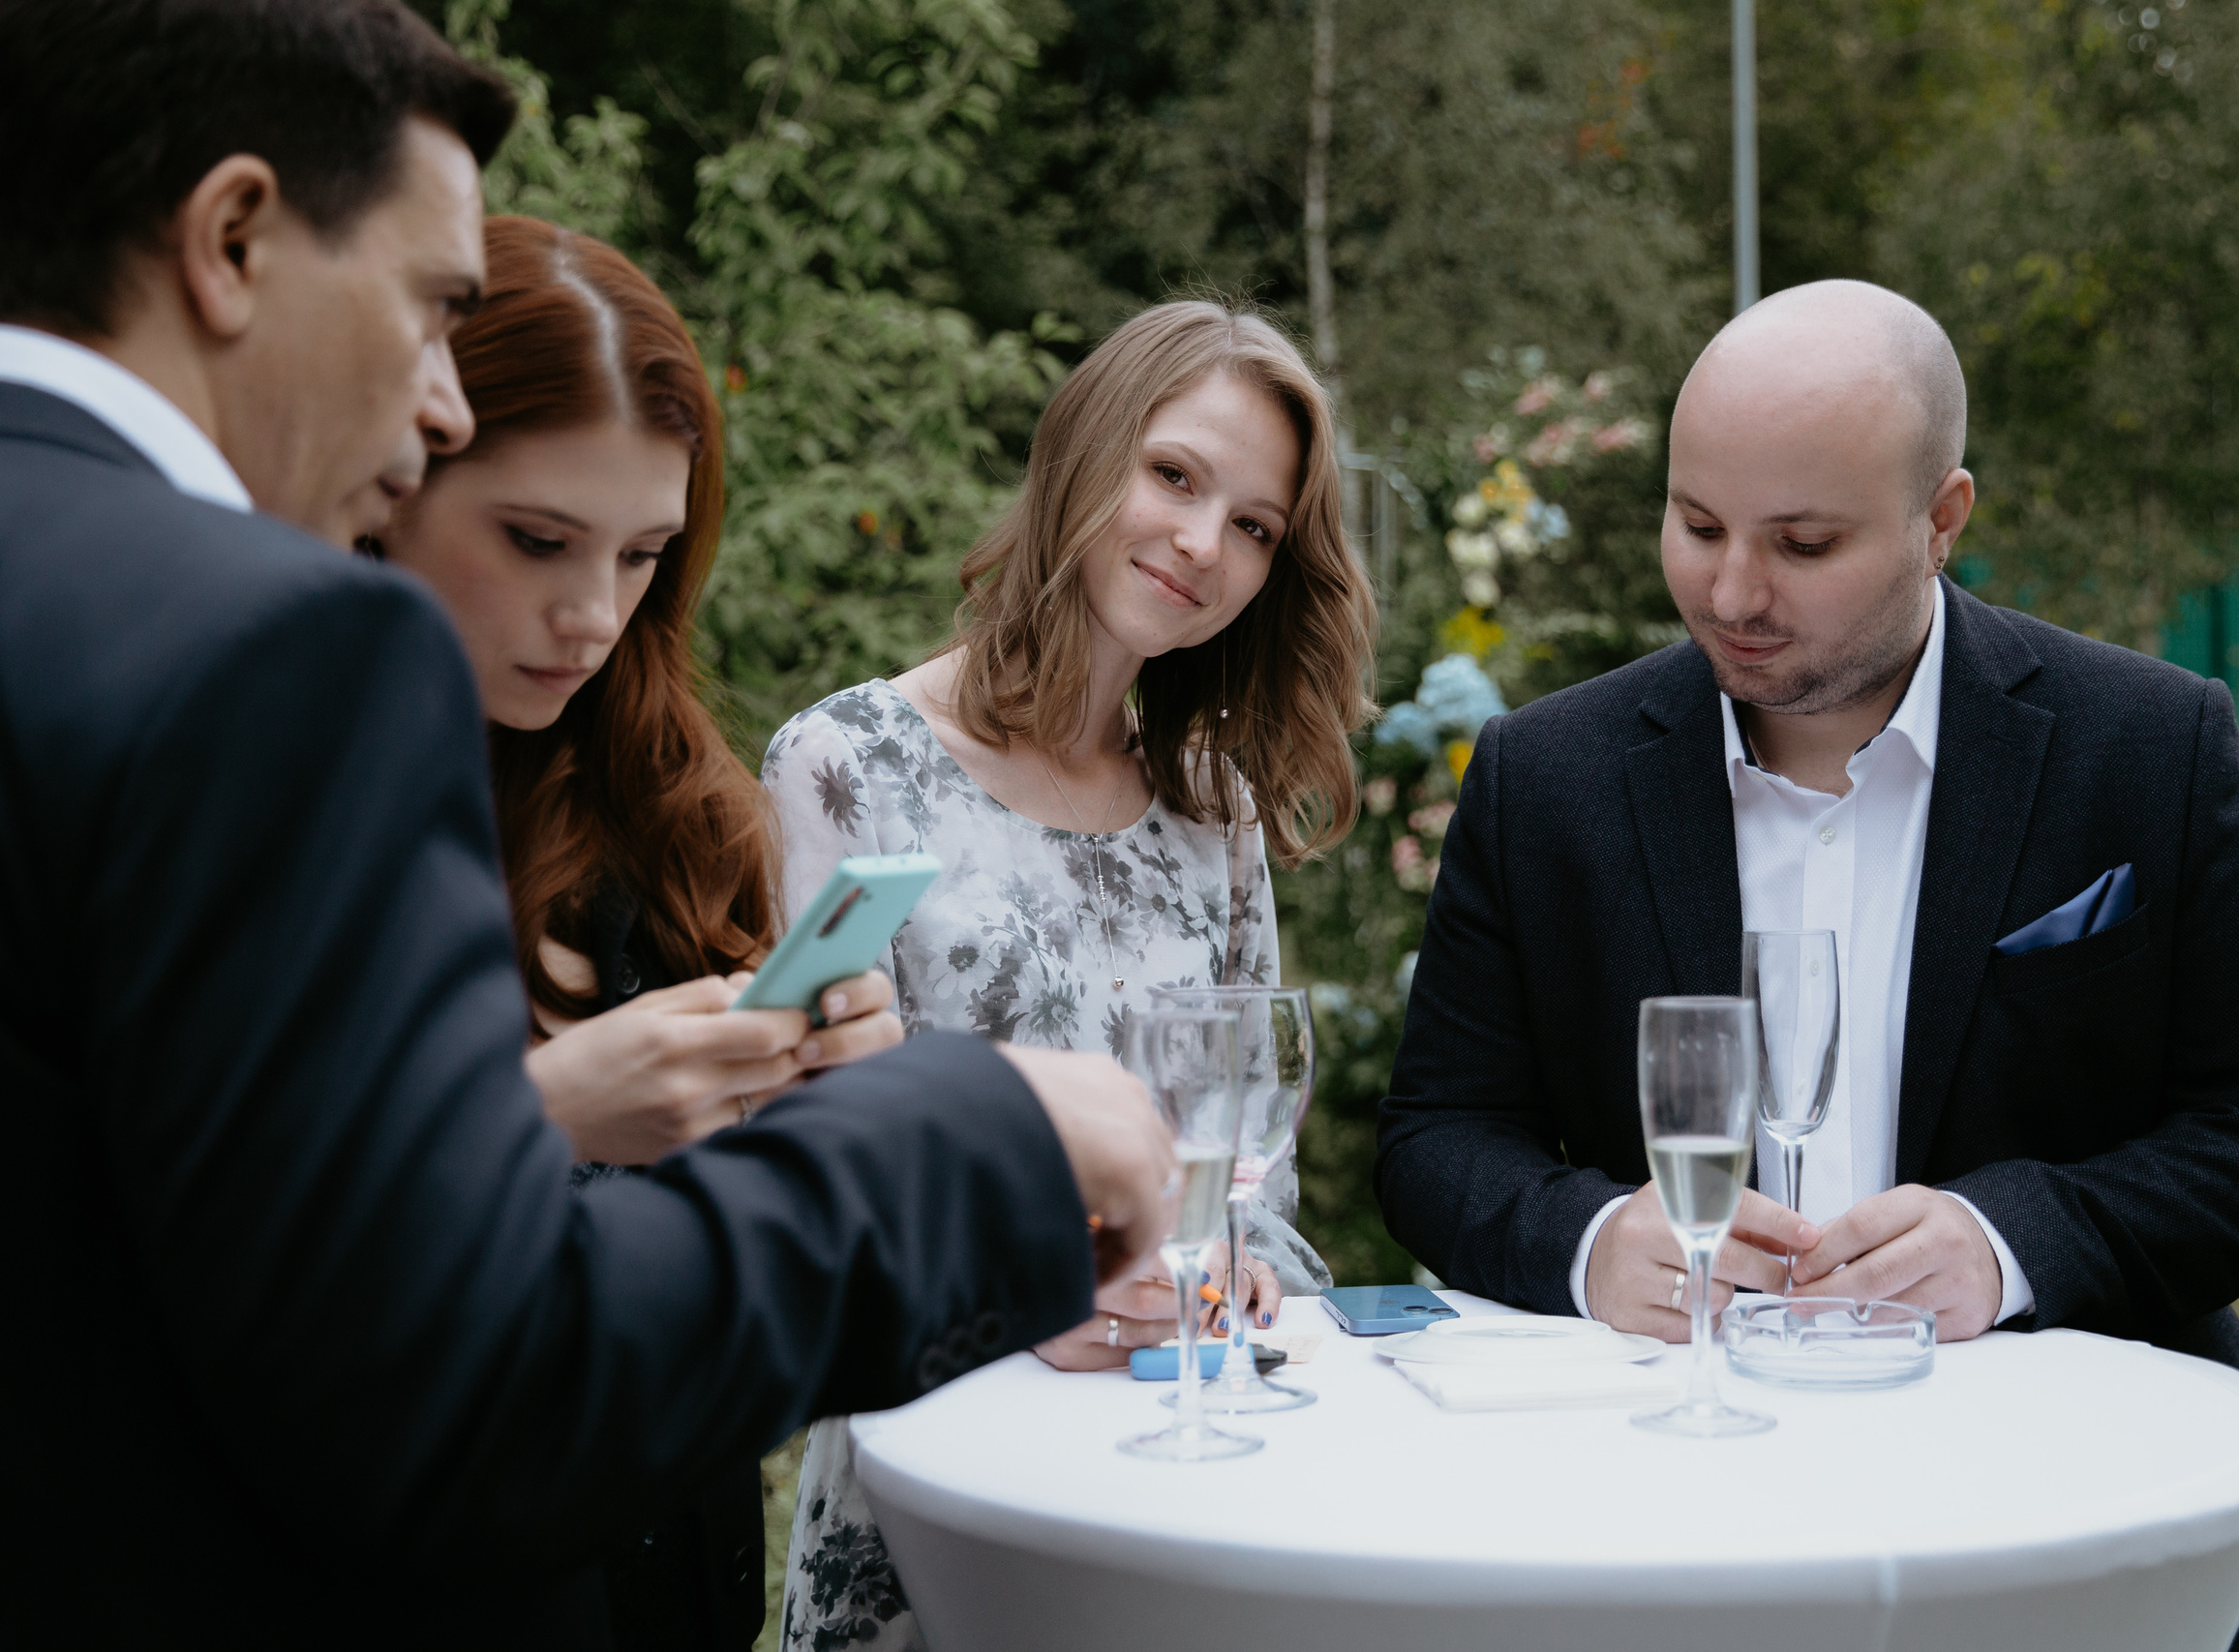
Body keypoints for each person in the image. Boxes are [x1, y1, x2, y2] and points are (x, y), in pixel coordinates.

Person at [0, 5, 1171, 1645]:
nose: (430, 408)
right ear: (234, 238)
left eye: (637, 560)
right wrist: (973, 1134)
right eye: (429, 312)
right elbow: (463, 1383)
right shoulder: (270, 647)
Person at [1376, 279, 2239, 1652]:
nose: (1731, 591)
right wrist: (1597, 1242)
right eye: (1698, 525)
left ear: (1942, 518)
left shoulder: (2145, 747)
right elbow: (1435, 1137)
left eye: (1804, 543)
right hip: (1656, 1521)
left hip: (2081, 1514)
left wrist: (2017, 1241)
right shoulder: (1549, 777)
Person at [761, 297, 1376, 1649]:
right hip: (939, 1509)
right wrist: (1026, 1287)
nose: (1204, 544)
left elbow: (1247, 1172)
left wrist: (1237, 1269)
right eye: (1174, 475)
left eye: (1258, 527)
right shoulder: (848, 765)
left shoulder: (1210, 807)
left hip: (1185, 1491)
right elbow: (808, 1177)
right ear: (1086, 452)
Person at [363, 212, 904, 1648]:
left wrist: (832, 1109)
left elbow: (769, 1315)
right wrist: (535, 1121)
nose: (591, 614)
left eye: (645, 555)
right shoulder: (280, 793)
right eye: (538, 539)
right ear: (396, 469)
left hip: (671, 1576)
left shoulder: (675, 812)